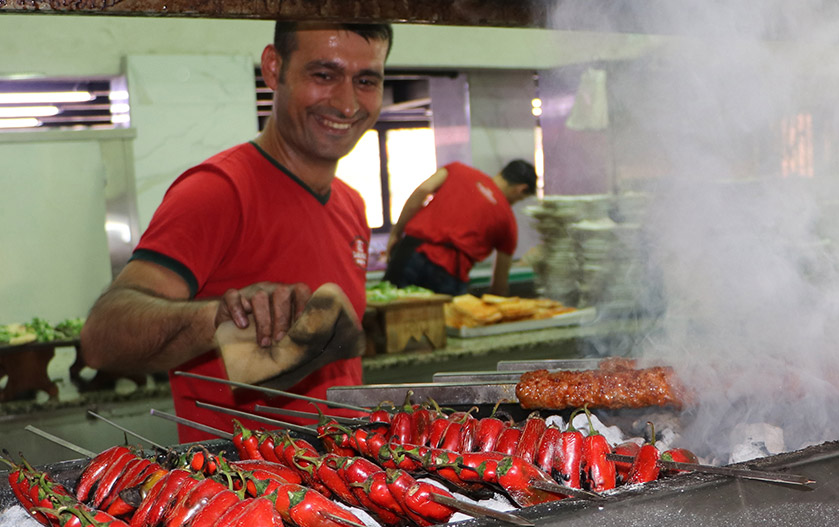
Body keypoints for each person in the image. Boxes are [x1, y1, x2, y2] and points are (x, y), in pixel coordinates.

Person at [79, 21, 393, 442]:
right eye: (324, 75)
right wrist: (221, 317)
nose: (346, 102)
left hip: (341, 482)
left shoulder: (350, 203)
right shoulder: (219, 191)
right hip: (242, 494)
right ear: (272, 67)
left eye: (366, 80)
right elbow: (102, 337)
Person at [382, 160, 537, 296]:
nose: (515, 202)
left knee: (390, 314)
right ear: (521, 189)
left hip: (411, 253)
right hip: (448, 273)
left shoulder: (457, 169)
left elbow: (423, 190)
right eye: (520, 199)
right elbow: (500, 285)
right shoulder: (508, 222)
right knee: (441, 326)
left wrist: (396, 233)